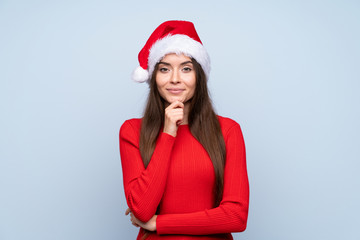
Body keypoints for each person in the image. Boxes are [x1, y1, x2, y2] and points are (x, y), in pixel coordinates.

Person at [119, 20, 249, 240]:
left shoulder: (228, 130)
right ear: (154, 77)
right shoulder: (132, 131)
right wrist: (168, 133)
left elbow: (236, 216)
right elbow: (141, 209)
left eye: (186, 68)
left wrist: (159, 223)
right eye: (164, 69)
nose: (175, 79)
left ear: (199, 76)